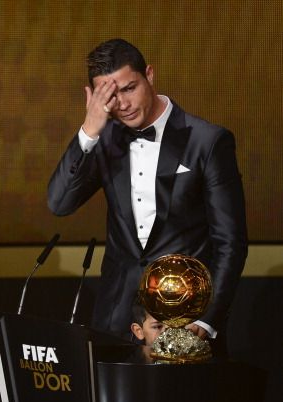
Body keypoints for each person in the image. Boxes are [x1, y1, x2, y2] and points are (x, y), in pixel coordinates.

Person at [47, 39, 248, 349]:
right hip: (114, 320)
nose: (122, 104)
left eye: (128, 89)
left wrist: (206, 318)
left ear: (149, 76)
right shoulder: (103, 139)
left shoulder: (207, 141)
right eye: (110, 96)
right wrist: (88, 131)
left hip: (185, 319)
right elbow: (59, 203)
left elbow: (230, 242)